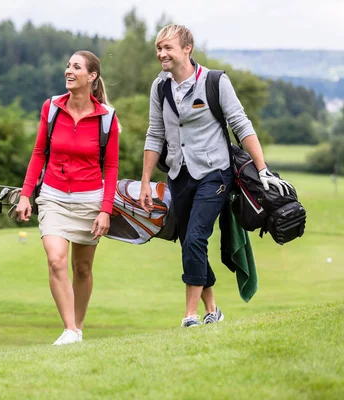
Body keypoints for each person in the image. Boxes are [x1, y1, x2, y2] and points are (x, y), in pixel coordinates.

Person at [139, 25, 291, 327]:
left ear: (187, 48)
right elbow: (155, 134)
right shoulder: (160, 87)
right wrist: (145, 181)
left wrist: (262, 169)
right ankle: (212, 310)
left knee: (196, 236)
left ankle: (190, 316)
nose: (161, 54)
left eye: (167, 47)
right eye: (158, 48)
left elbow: (241, 124)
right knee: (187, 242)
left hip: (215, 174)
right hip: (178, 174)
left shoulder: (214, 81)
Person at [15, 50, 120, 345]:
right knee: (56, 261)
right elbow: (38, 154)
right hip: (53, 197)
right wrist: (26, 194)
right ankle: (69, 329)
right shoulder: (51, 108)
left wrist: (105, 210)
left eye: (76, 67)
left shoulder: (107, 118)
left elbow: (111, 167)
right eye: (67, 66)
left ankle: (78, 328)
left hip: (90, 200)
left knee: (82, 269)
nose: (68, 71)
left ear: (92, 76)